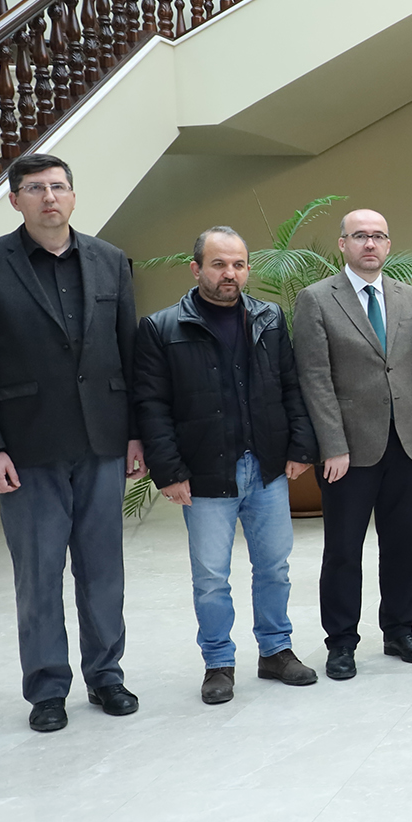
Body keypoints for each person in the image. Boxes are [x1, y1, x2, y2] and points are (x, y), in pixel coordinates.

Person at [0, 154, 146, 733]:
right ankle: (46, 689)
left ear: (73, 196)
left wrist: (135, 432)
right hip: (26, 446)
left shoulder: (110, 260)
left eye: (58, 186)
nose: (49, 197)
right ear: (15, 200)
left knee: (103, 568)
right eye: (35, 188)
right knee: (37, 573)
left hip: (102, 439)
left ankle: (106, 675)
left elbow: (129, 354)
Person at [133, 227, 320, 704]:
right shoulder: (161, 328)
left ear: (247, 269)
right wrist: (168, 471)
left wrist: (300, 447)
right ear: (196, 269)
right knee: (212, 577)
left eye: (238, 264)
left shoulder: (269, 319)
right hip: (204, 474)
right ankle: (218, 663)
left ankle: (276, 651)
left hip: (266, 469)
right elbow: (152, 406)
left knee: (274, 567)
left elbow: (291, 386)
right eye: (218, 264)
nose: (229, 274)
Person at [292, 209, 412, 680]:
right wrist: (332, 445)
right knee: (343, 550)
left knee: (403, 545)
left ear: (389, 244)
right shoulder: (316, 299)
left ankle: (399, 630)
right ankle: (341, 642)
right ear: (343, 244)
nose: (370, 244)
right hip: (348, 451)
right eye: (360, 236)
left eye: (378, 236)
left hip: (406, 443)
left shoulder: (408, 297)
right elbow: (315, 378)